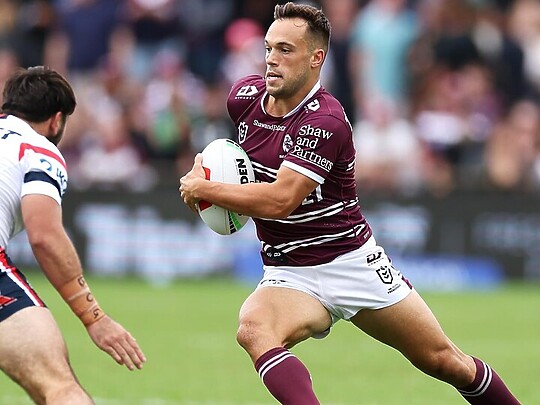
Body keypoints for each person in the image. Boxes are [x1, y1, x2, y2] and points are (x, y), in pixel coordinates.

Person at [179, 3, 520, 404]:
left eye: (285, 50)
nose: (271, 59)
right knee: (254, 329)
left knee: (445, 361)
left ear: (316, 58)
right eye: (269, 48)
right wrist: (210, 171)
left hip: (350, 263)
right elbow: (236, 163)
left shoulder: (326, 120)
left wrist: (207, 190)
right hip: (290, 270)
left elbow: (280, 200)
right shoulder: (244, 99)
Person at [0, 66, 146, 404]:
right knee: (59, 388)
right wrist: (93, 318)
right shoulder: (38, 148)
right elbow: (45, 236)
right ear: (56, 120)